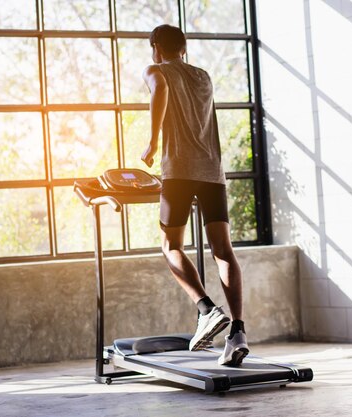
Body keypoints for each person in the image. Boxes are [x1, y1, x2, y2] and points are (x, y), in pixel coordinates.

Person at [140, 24, 248, 366]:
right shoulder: (203, 75)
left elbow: (159, 91)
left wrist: (153, 141)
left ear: (156, 47)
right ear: (184, 48)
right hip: (212, 172)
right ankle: (238, 332)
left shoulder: (155, 69)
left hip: (180, 171)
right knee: (223, 251)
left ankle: (206, 309)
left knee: (170, 245)